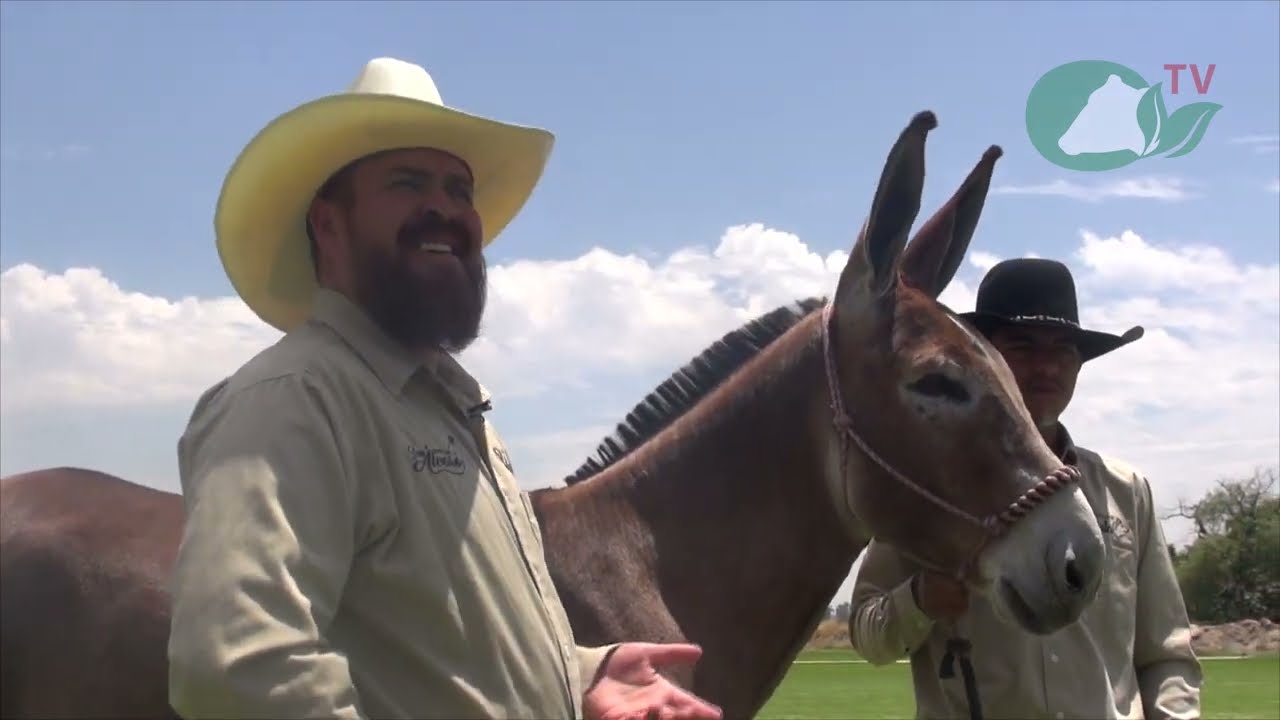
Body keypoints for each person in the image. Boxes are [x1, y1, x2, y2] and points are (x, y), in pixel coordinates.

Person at [166, 57, 723, 720]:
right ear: (328, 225)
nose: (445, 208)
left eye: (459, 190)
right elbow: (235, 671)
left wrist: (581, 675)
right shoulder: (296, 398)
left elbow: (442, 655)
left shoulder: (453, 409)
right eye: (406, 183)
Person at [846, 258, 1203, 720]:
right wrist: (919, 601)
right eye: (1023, 346)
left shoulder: (1127, 491)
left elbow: (1166, 654)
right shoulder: (932, 489)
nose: (1048, 367)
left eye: (1064, 350)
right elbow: (867, 633)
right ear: (982, 358)